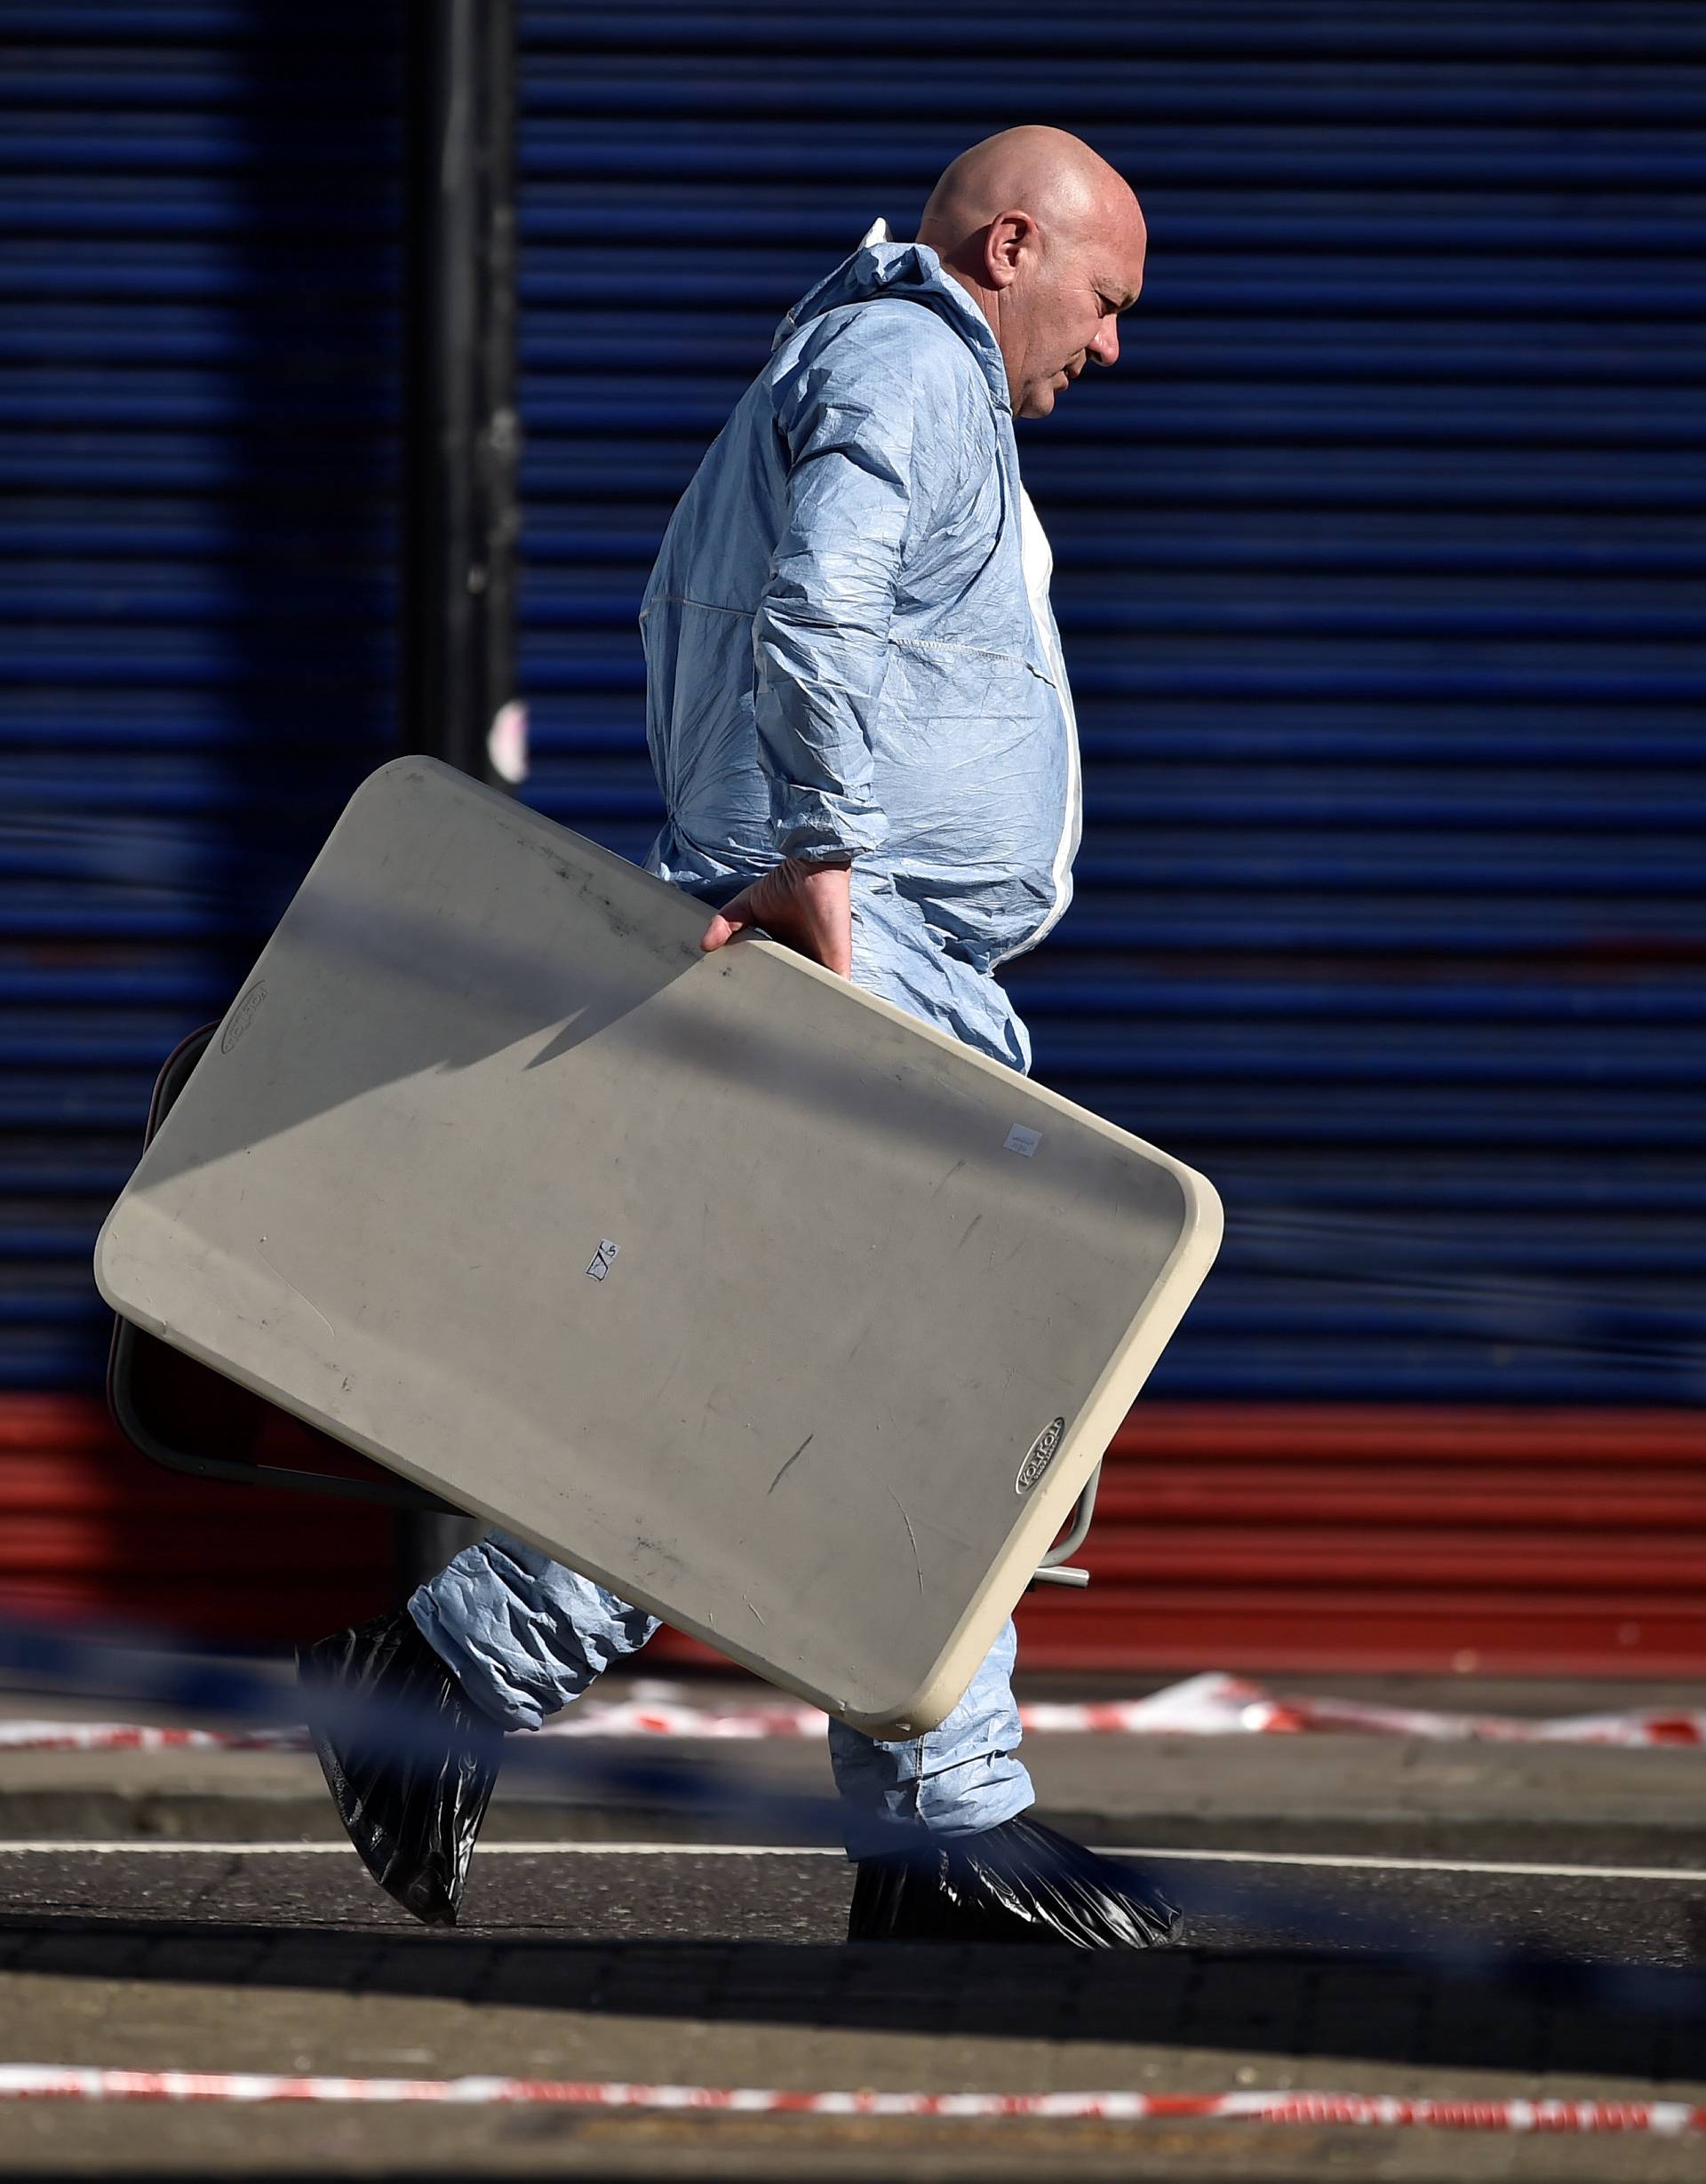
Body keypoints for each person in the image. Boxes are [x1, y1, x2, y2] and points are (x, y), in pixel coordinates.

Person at [300, 125, 1176, 1947]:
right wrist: (820, 874)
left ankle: (933, 1819)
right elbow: (819, 603)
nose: (1113, 349)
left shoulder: (858, 359)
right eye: (1104, 302)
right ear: (1013, 246)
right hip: (873, 949)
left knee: (896, 1390)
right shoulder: (909, 362)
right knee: (865, 1384)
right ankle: (456, 1674)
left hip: (881, 945)